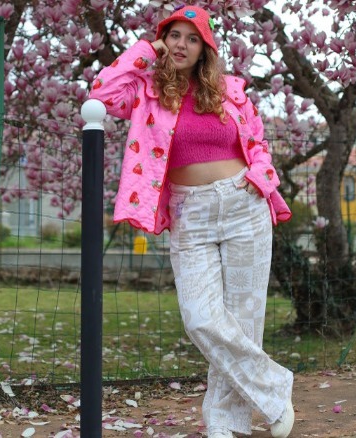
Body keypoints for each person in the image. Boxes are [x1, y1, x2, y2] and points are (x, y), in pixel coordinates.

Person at [88, 4, 294, 438]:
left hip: (243, 206)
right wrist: (148, 47)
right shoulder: (146, 91)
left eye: (192, 37)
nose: (181, 44)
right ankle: (275, 387)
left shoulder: (230, 89)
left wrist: (257, 179)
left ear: (206, 48)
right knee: (201, 318)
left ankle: (224, 422)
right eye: (174, 36)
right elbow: (102, 93)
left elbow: (256, 142)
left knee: (241, 321)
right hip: (189, 213)